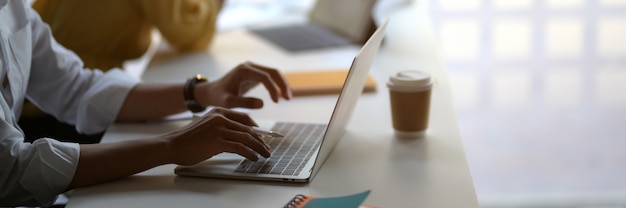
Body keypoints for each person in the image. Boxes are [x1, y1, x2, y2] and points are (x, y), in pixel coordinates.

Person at [0, 0, 291, 207]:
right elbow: (10, 171)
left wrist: (202, 92)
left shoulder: (12, 7)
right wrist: (171, 145)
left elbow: (76, 86)